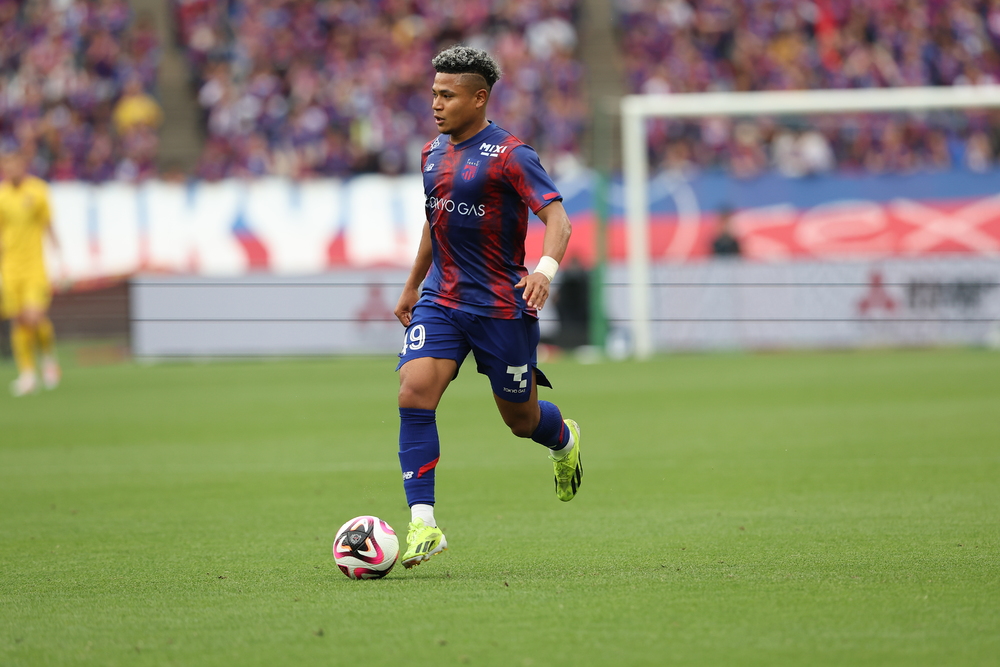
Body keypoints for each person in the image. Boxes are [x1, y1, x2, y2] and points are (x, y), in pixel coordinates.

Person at [393, 46, 583, 569]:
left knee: (521, 421)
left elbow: (559, 220)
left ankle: (563, 439)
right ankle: (423, 524)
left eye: (447, 96)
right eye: (434, 94)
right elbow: (435, 221)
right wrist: (412, 286)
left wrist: (543, 271)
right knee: (413, 392)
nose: (436, 104)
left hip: (501, 307)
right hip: (442, 300)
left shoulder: (512, 156)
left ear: (479, 98)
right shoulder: (431, 153)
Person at [0, 150, 62, 396]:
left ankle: (48, 357)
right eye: (6, 166)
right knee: (18, 320)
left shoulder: (38, 191)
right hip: (10, 268)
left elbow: (48, 225)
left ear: (23, 166)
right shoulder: (2, 195)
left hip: (35, 266)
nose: (10, 170)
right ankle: (27, 374)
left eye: (14, 165)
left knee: (34, 318)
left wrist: (61, 257)